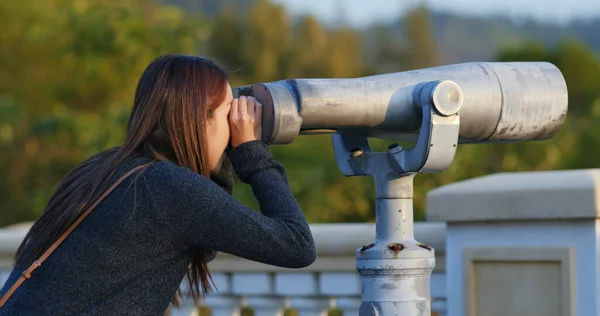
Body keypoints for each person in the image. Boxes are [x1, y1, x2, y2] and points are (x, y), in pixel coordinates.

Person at [0, 54, 316, 315]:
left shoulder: (106, 167)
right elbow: (296, 245)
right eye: (227, 114)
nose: (235, 125)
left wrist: (225, 156)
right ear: (197, 120)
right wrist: (250, 151)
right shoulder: (168, 187)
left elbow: (204, 243)